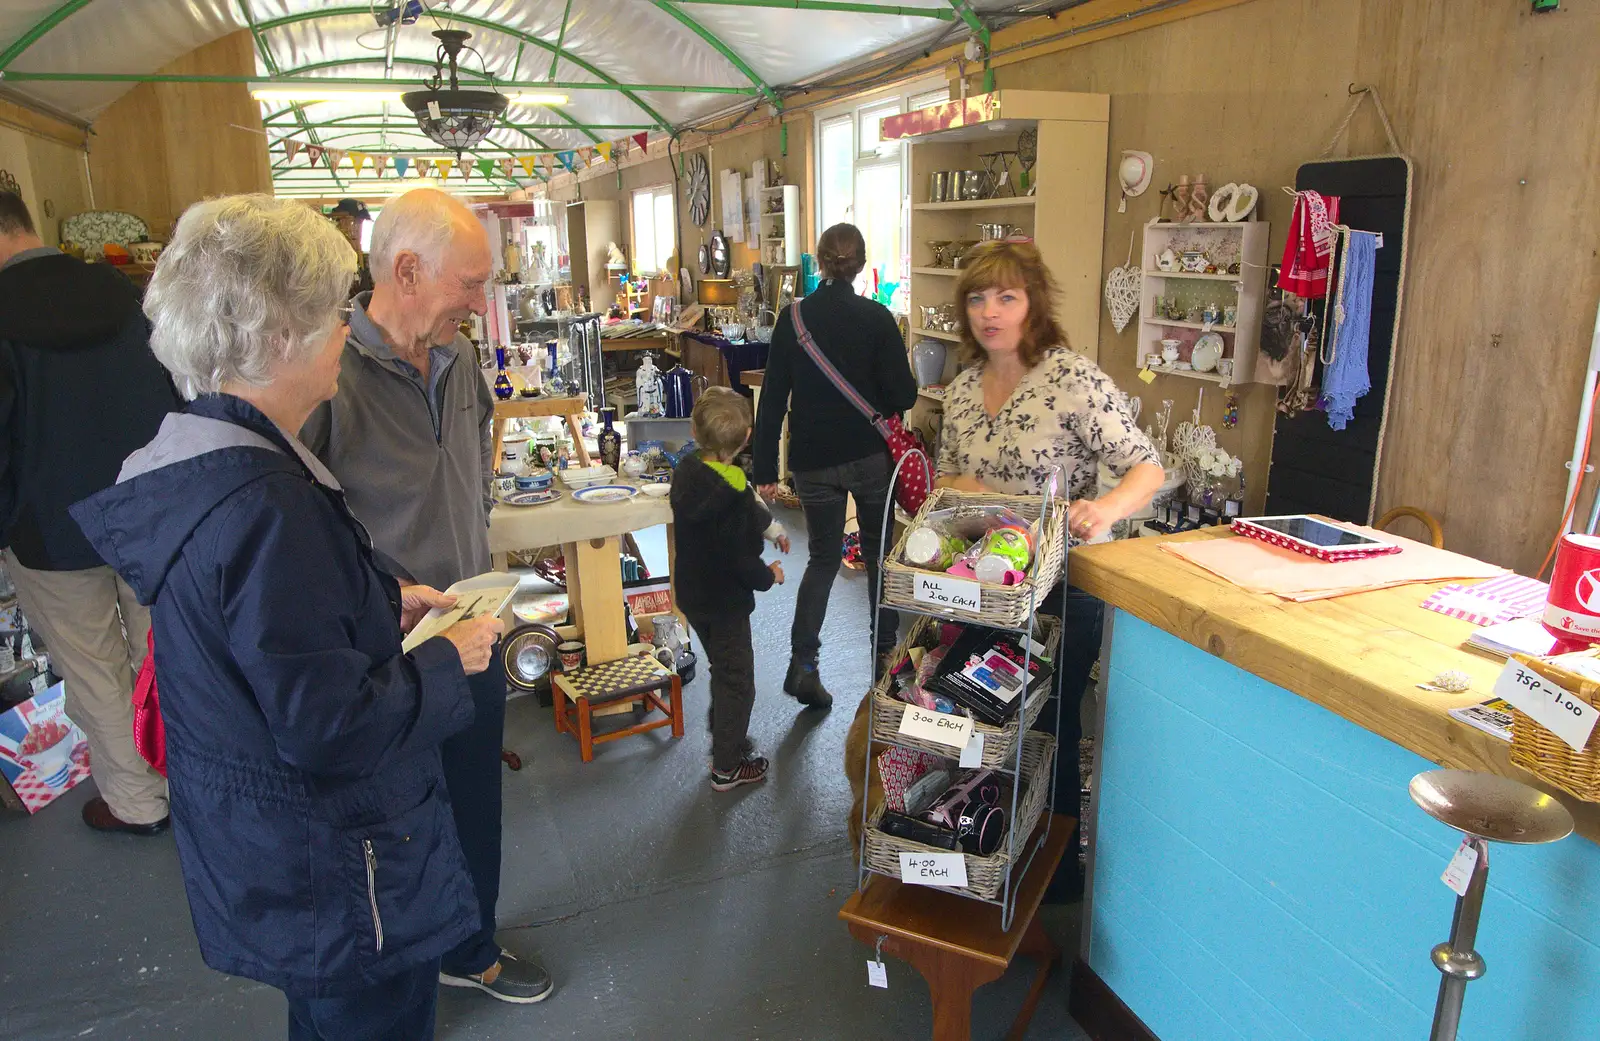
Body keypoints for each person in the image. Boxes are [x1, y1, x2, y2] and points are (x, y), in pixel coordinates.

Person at [69, 194, 504, 1041]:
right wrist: (446, 660)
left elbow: (280, 642)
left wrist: (382, 599)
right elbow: (330, 723)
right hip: (339, 871)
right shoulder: (270, 506)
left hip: (288, 858)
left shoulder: (213, 465)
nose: (344, 331)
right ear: (278, 339)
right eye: (328, 315)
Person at [300, 188, 552, 1005]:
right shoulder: (326, 370)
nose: (479, 304)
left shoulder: (458, 358)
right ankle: (398, 976)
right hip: (383, 647)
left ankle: (470, 946)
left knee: (476, 800)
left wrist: (480, 567)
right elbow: (295, 519)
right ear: (406, 269)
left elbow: (473, 466)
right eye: (470, 284)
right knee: (391, 825)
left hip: (470, 624)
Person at [938, 238, 1164, 899]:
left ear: (1034, 304)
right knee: (983, 712)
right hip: (983, 581)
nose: (990, 311)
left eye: (1007, 296)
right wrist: (967, 485)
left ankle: (1054, 875)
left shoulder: (1073, 379)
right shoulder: (957, 390)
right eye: (978, 297)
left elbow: (1146, 464)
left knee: (1050, 723)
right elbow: (949, 472)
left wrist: (1106, 507)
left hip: (1062, 586)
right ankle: (986, 839)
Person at [0, 190, 179, 835]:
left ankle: (136, 803)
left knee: (93, 670)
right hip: (147, 512)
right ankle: (186, 777)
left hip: (50, 529)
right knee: (163, 655)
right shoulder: (124, 292)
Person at [752, 223, 917, 708]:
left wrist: (764, 468)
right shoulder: (878, 318)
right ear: (861, 264)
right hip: (869, 458)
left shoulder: (793, 318)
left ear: (819, 263)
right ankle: (885, 670)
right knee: (879, 557)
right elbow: (904, 395)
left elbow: (773, 400)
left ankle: (803, 665)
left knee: (823, 559)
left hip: (812, 462)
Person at [671, 388, 789, 791]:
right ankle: (727, 765)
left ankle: (726, 733)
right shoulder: (736, 495)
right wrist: (769, 575)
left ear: (693, 429)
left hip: (692, 595)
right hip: (726, 602)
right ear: (747, 437)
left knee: (723, 667)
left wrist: (768, 527)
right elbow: (741, 562)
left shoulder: (686, 471)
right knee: (738, 678)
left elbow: (744, 504)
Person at [330, 198, 375, 295]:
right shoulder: (331, 260)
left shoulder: (366, 261)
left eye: (360, 222)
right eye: (352, 222)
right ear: (339, 222)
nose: (356, 228)